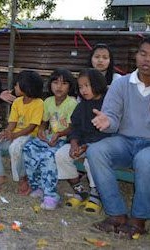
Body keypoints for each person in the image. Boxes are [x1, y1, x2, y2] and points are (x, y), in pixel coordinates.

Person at [88, 37, 150, 238]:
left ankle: (139, 219)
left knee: (145, 160)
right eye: (143, 53)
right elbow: (112, 117)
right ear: (136, 56)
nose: (147, 59)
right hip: (125, 141)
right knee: (96, 151)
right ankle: (116, 214)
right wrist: (107, 122)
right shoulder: (121, 84)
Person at [0, 70, 44, 194]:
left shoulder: (39, 103)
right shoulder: (17, 102)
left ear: (27, 86)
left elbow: (31, 127)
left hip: (29, 136)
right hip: (15, 134)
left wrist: (14, 135)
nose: (15, 87)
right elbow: (12, 122)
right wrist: (7, 132)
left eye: (17, 84)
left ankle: (22, 179)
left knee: (15, 148)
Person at [23, 68, 78, 210]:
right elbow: (44, 122)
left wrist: (59, 134)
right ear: (50, 84)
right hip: (50, 137)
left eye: (64, 83)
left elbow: (72, 127)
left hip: (64, 139)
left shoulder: (72, 103)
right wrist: (41, 130)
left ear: (70, 86)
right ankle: (37, 187)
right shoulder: (48, 101)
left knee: (48, 157)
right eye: (55, 82)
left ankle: (51, 196)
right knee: (29, 148)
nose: (59, 87)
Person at [55, 68, 109, 212]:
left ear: (97, 84)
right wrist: (73, 144)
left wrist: (86, 146)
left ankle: (96, 193)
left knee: (91, 159)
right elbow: (75, 127)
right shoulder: (82, 105)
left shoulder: (109, 104)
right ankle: (79, 189)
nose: (83, 90)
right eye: (80, 87)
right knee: (60, 155)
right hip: (81, 143)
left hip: (102, 145)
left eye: (87, 85)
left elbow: (110, 132)